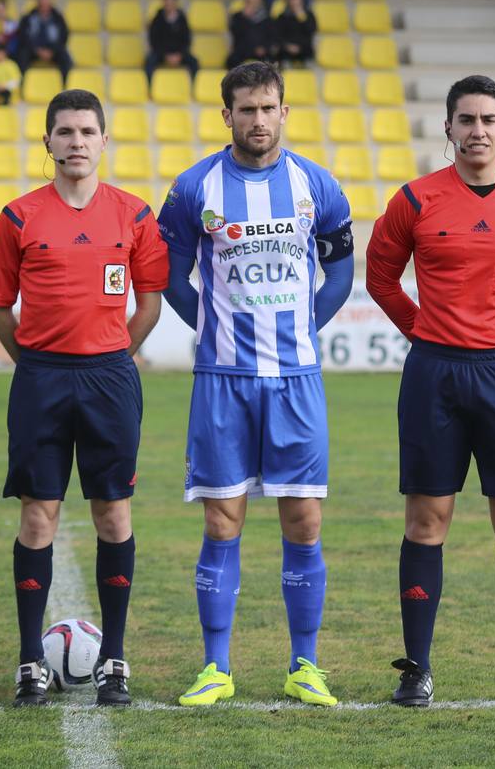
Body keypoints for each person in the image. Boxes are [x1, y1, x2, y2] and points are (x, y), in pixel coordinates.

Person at [364, 74, 495, 709]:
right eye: (466, 120)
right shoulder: (416, 200)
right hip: (435, 374)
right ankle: (416, 671)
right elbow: (379, 275)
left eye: (488, 120)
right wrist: (424, 331)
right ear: (448, 129)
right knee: (428, 521)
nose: (477, 130)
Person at [157, 60, 355, 708]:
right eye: (246, 109)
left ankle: (306, 665)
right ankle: (216, 667)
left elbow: (341, 271)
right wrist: (212, 331)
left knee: (302, 518)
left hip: (295, 380)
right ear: (227, 116)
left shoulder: (316, 185)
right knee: (222, 520)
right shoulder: (194, 188)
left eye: (269, 108)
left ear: (284, 112)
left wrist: (305, 331)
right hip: (222, 382)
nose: (259, 120)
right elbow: (171, 278)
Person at [0, 88, 170, 708]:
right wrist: (35, 363)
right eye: (64, 132)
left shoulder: (134, 216)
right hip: (40, 378)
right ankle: (29, 661)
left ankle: (114, 658)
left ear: (103, 141)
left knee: (113, 513)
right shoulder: (18, 218)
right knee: (38, 514)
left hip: (109, 379)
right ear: (47, 141)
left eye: (87, 132)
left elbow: (148, 303)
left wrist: (114, 353)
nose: (76, 142)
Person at [17, 0, 72, 81]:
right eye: (41, 4)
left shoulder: (58, 18)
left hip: (53, 50)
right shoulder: (28, 18)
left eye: (46, 4)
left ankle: (65, 86)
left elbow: (64, 36)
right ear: (38, 4)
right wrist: (38, 50)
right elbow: (23, 36)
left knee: (66, 59)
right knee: (22, 55)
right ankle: (22, 83)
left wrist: (52, 51)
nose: (44, 6)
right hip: (33, 50)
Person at [145, 0, 199, 79]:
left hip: (179, 53)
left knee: (194, 62)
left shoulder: (182, 19)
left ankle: (194, 86)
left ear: (175, 4)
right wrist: (165, 55)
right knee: (149, 62)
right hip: (161, 53)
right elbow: (154, 40)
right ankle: (150, 87)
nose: (169, 6)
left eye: (171, 4)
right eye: (167, 4)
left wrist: (180, 54)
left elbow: (187, 40)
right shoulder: (157, 19)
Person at [226, 0, 275, 68]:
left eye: (254, 2)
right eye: (248, 1)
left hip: (261, 52)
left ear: (259, 2)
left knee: (272, 63)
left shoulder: (266, 19)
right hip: (243, 51)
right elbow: (235, 34)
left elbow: (271, 36)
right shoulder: (238, 17)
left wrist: (264, 47)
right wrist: (245, 18)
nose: (251, 4)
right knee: (231, 60)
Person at [275, 0, 317, 66]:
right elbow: (278, 35)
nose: (295, 5)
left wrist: (302, 17)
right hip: (286, 50)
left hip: (304, 50)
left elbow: (311, 31)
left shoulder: (309, 15)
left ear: (302, 3)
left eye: (297, 4)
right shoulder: (283, 17)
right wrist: (288, 46)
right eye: (293, 2)